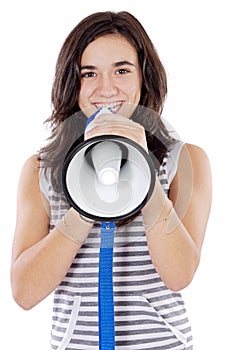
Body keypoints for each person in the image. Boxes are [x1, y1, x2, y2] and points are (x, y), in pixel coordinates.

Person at [11, 11, 212, 350]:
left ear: (143, 78)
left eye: (121, 70)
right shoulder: (40, 170)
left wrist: (142, 169)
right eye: (89, 73)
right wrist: (87, 198)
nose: (106, 88)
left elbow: (179, 275)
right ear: (71, 84)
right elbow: (25, 293)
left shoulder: (186, 160)